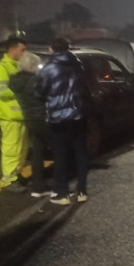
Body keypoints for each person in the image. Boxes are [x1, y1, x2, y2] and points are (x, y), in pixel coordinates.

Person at [36, 38, 93, 205]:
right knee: (80, 153)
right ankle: (82, 190)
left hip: (59, 116)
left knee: (60, 154)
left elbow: (40, 91)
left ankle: (62, 193)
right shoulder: (78, 64)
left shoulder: (49, 67)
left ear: (52, 49)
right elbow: (83, 87)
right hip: (79, 114)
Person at [8, 52, 53, 197]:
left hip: (29, 118)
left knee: (38, 151)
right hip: (43, 118)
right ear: (34, 65)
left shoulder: (15, 81)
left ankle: (38, 187)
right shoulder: (36, 81)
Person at [0, 36, 29, 192]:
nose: (25, 53)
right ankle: (8, 181)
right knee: (11, 150)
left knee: (21, 149)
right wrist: (21, 91)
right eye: (22, 50)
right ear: (12, 50)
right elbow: (0, 91)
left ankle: (16, 174)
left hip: (20, 116)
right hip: (9, 116)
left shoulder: (17, 67)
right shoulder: (2, 68)